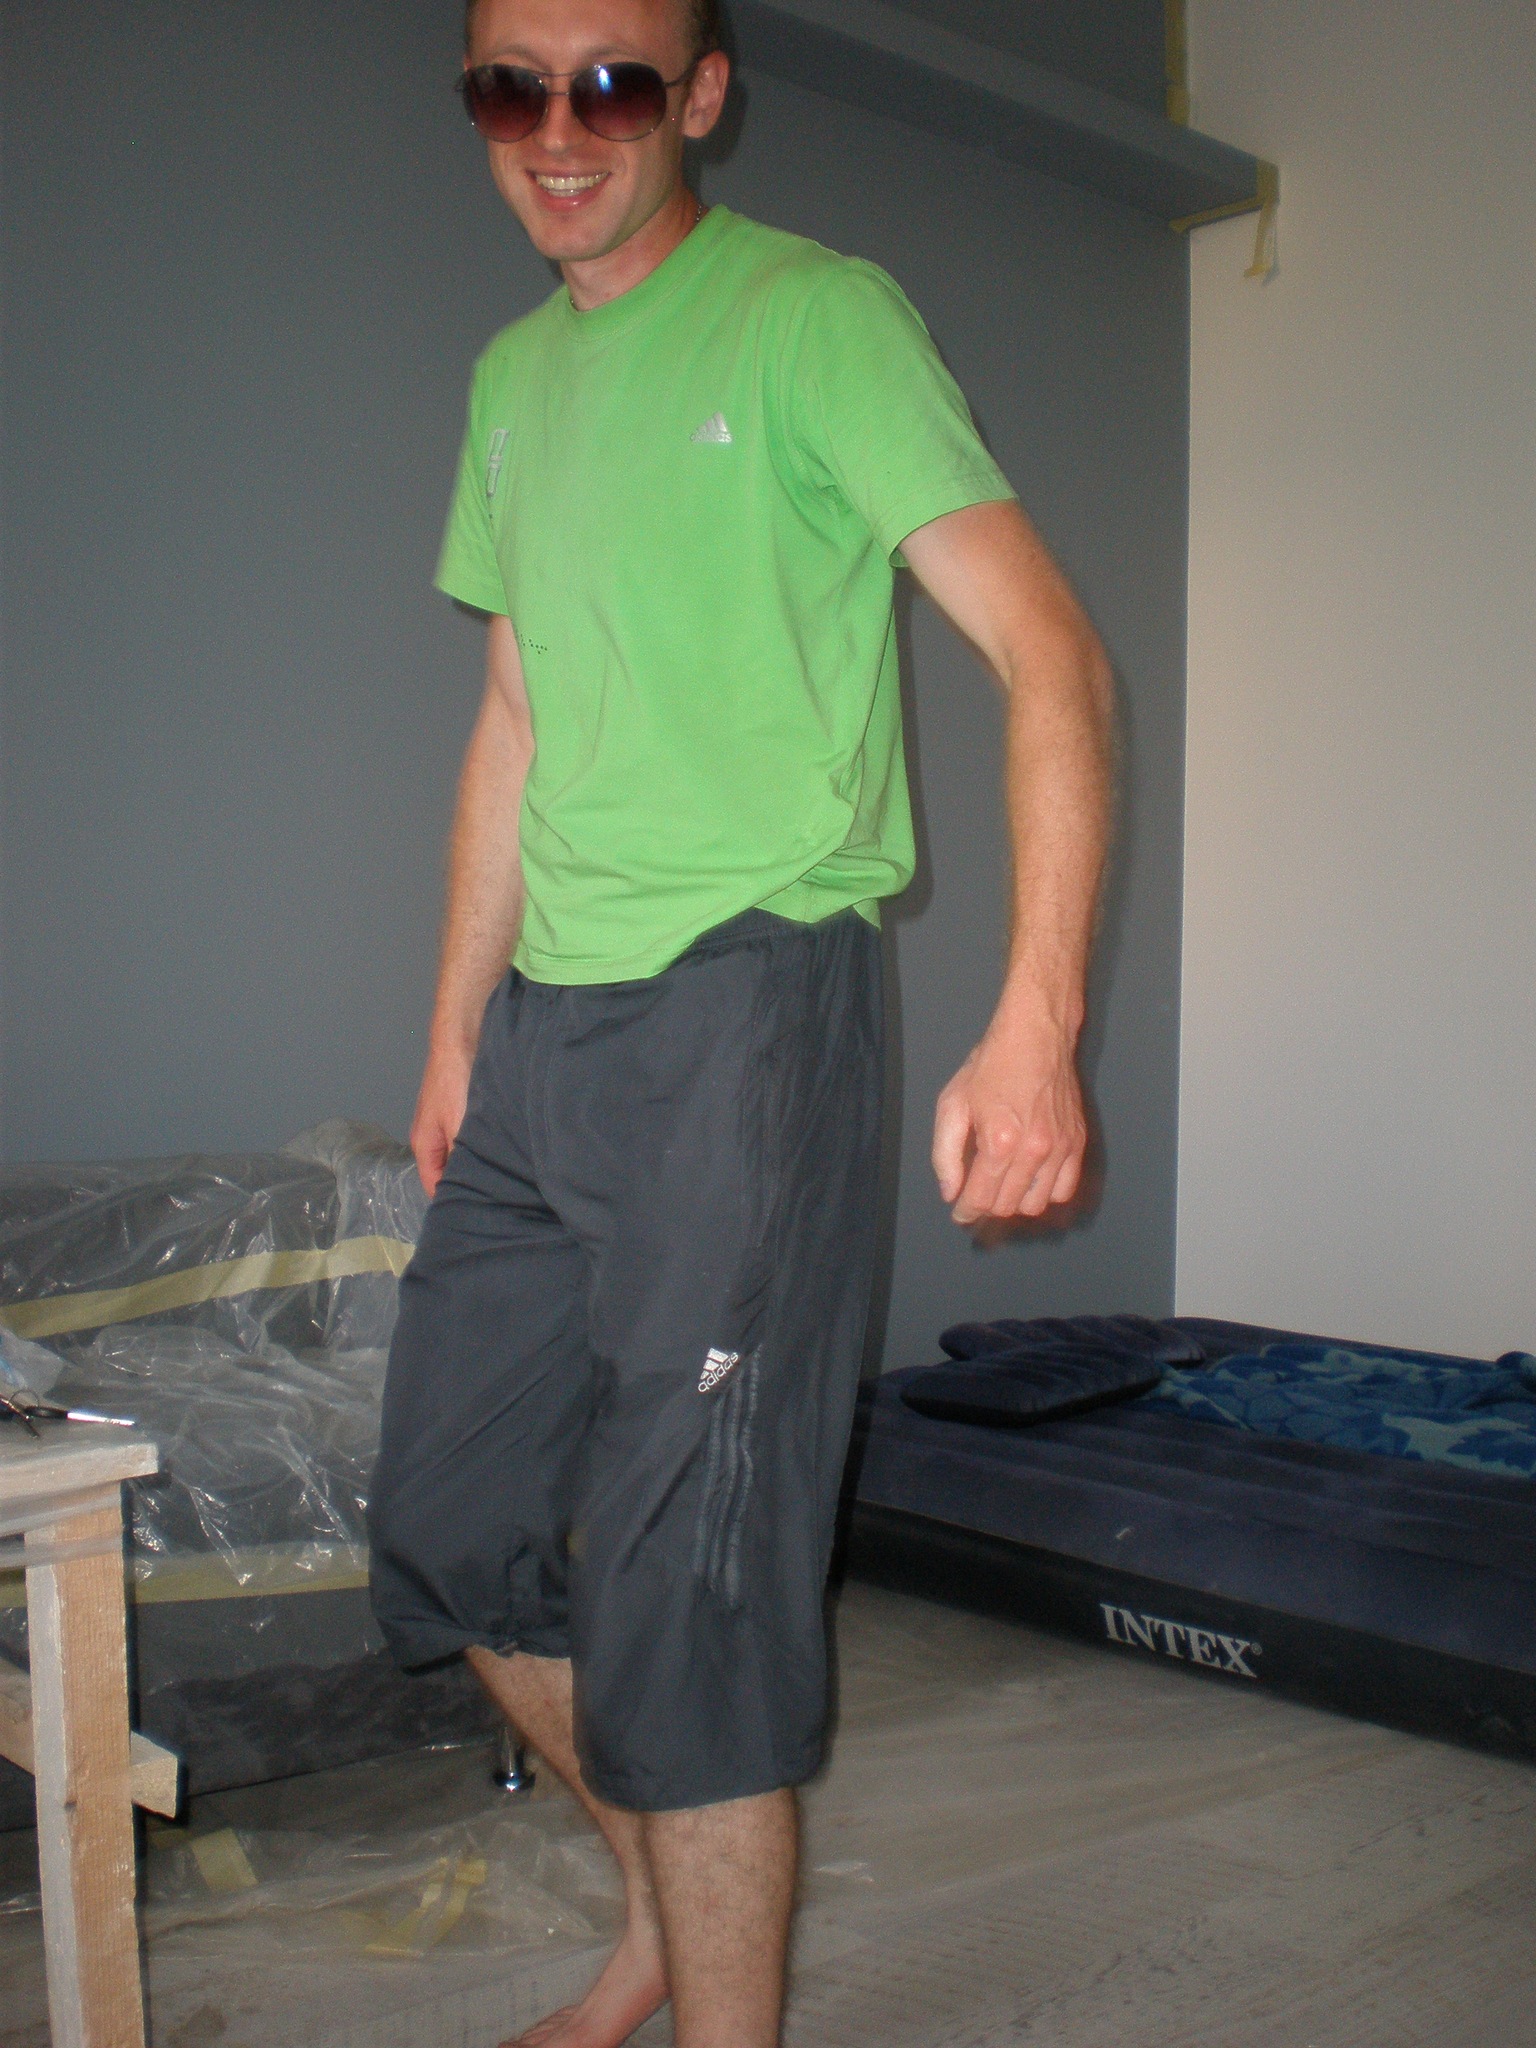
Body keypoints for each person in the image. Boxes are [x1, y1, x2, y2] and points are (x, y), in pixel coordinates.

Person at [367, 0, 1113, 2043]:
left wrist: (1037, 1020)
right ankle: (656, 1924)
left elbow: (1053, 656)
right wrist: (452, 1031)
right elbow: (515, 721)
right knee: (449, 1530)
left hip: (749, 1020)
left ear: (699, 95)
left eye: (611, 79)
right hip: (545, 1036)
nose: (559, 127)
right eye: (510, 84)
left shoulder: (816, 319)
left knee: (691, 1608)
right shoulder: (511, 379)